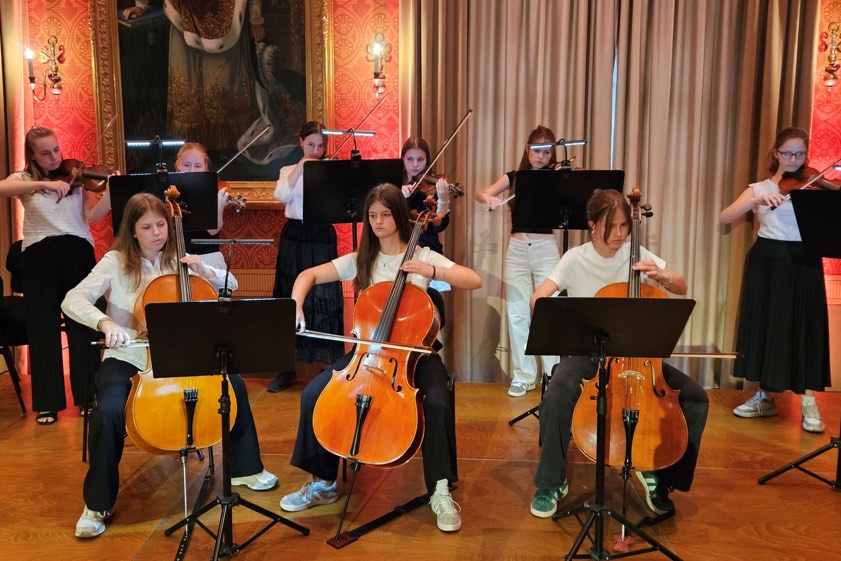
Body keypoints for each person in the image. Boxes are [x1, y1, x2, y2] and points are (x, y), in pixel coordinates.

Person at [61, 193, 277, 539]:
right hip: (129, 355)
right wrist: (106, 323)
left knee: (232, 382)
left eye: (161, 224)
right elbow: (72, 299)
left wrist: (204, 270)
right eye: (147, 227)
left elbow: (231, 284)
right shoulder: (115, 262)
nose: (157, 233)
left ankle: (246, 468)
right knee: (109, 410)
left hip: (179, 353)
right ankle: (98, 502)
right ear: (132, 231)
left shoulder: (180, 259)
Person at [279, 183, 482, 532]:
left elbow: (474, 280)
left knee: (437, 400)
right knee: (313, 393)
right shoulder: (362, 259)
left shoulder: (422, 256)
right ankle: (323, 483)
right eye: (372, 215)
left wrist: (432, 272)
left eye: (385, 214)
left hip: (415, 354)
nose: (378, 222)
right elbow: (307, 275)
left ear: (399, 216)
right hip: (368, 352)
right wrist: (296, 305)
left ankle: (439, 489)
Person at [527, 188, 708, 520]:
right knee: (558, 392)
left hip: (638, 355)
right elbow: (539, 296)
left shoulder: (634, 252)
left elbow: (681, 286)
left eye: (625, 225)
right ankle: (550, 481)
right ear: (592, 225)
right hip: (588, 353)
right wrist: (554, 314)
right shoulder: (575, 258)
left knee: (696, 399)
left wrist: (662, 275)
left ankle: (662, 476)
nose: (620, 234)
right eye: (611, 226)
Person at [720, 127, 831, 433]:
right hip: (767, 260)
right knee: (766, 326)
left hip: (805, 261)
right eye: (788, 153)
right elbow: (726, 217)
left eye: (800, 154)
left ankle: (808, 402)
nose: (794, 159)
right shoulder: (759, 188)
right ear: (776, 153)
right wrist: (755, 200)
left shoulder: (815, 187)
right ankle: (765, 397)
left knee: (805, 327)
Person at [0, 126, 112, 425]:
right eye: (45, 153)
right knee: (43, 327)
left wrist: (111, 192)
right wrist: (44, 185)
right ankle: (48, 404)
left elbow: (93, 216)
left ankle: (87, 397)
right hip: (39, 257)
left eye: (56, 150)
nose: (54, 157)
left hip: (78, 253)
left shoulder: (75, 175)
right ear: (32, 155)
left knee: (83, 325)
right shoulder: (25, 180)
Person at [474, 125, 561, 397]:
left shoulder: (556, 177)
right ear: (527, 149)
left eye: (547, 152)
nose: (541, 157)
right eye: (537, 151)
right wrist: (488, 198)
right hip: (517, 250)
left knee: (549, 312)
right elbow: (481, 193)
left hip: (546, 249)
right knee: (517, 313)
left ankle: (554, 376)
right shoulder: (514, 177)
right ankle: (524, 376)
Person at [268, 121, 344, 392]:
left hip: (322, 234)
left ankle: (328, 367)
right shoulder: (288, 169)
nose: (316, 150)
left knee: (323, 296)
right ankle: (286, 368)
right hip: (295, 236)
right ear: (301, 142)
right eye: (311, 144)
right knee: (289, 294)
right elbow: (281, 195)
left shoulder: (331, 169)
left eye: (320, 145)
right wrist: (303, 164)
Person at [173, 142, 229, 257]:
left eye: (198, 166)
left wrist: (219, 205)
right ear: (178, 165)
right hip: (175, 256)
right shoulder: (169, 191)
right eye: (186, 165)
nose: (192, 171)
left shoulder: (212, 191)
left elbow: (213, 231)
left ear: (205, 167)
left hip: (205, 257)